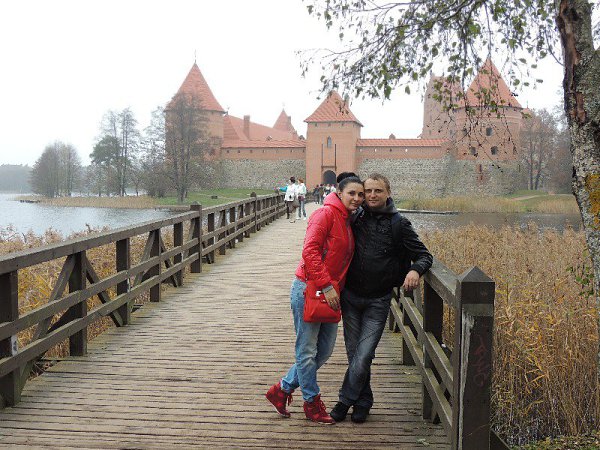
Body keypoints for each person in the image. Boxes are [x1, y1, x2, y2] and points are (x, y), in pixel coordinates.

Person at [329, 173, 433, 424]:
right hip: (350, 297)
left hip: (378, 300)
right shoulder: (354, 217)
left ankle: (344, 401)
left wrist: (415, 270)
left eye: (378, 191)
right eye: (368, 191)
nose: (372, 195)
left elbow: (424, 255)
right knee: (355, 354)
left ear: (388, 193)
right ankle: (363, 402)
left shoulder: (399, 224)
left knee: (364, 354)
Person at [266, 172, 365, 424]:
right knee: (307, 350)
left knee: (324, 351)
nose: (356, 198)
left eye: (360, 195)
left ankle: (282, 389)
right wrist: (327, 285)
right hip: (309, 289)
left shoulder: (348, 218)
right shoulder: (325, 214)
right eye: (351, 193)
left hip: (329, 292)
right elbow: (309, 251)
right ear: (339, 193)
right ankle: (311, 402)